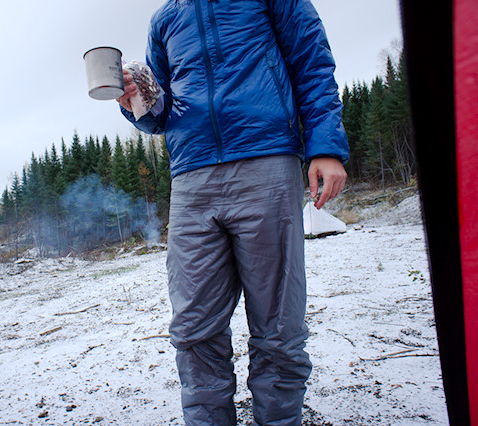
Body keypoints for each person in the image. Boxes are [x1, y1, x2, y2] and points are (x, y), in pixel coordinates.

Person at [117, 1, 348, 424]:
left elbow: (311, 62)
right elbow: (161, 113)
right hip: (191, 177)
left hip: (265, 159)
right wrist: (137, 100)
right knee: (193, 328)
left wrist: (326, 146)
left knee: (278, 329)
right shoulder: (165, 19)